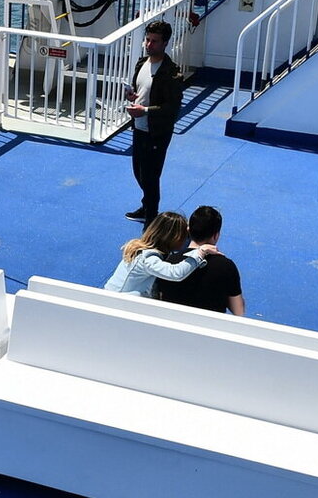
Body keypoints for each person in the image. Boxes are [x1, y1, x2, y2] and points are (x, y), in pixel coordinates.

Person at [123, 18, 182, 221]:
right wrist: (132, 96)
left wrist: (146, 110)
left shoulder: (171, 73)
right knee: (138, 172)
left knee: (150, 176)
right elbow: (141, 90)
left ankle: (151, 219)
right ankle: (147, 205)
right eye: (147, 40)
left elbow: (172, 108)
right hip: (139, 128)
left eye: (154, 41)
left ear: (165, 43)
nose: (149, 45)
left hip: (157, 132)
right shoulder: (142, 63)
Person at [152, 204, 244, 314]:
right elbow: (239, 311)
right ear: (216, 235)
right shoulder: (227, 266)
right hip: (211, 324)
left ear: (189, 230)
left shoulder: (168, 263)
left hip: (172, 322)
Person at [103, 210, 205, 297]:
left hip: (112, 297)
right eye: (184, 236)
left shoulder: (142, 249)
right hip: (117, 303)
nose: (186, 240)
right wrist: (200, 253)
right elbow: (176, 273)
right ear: (173, 238)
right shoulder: (148, 258)